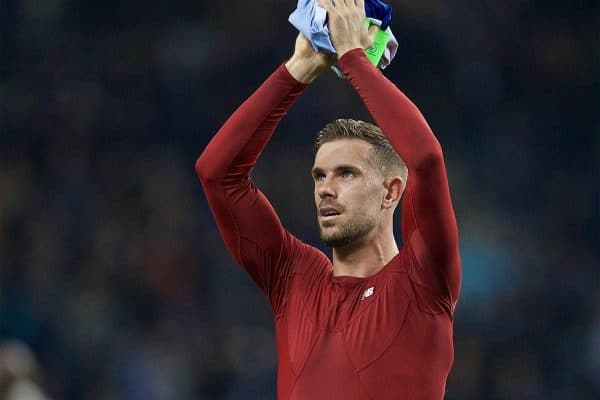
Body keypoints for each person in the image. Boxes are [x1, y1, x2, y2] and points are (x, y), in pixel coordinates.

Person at [195, 0, 461, 398]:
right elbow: (217, 174)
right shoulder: (294, 279)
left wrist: (355, 59)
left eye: (346, 174)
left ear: (391, 191)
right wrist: (298, 69)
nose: (325, 188)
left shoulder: (422, 281)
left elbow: (424, 158)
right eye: (319, 175)